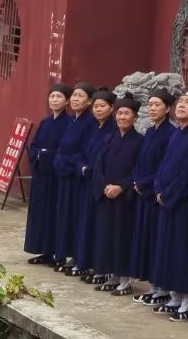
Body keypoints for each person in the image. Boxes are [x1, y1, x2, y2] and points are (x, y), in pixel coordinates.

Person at [149, 91, 188, 320]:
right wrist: (158, 188)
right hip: (166, 199)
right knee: (167, 248)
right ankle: (174, 295)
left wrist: (170, 194)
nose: (182, 105)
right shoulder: (176, 133)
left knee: (182, 250)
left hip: (182, 201)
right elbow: (164, 165)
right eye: (181, 102)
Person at [89, 94, 144, 294]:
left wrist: (121, 186)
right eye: (119, 113)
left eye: (127, 113)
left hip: (124, 198)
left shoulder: (140, 141)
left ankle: (125, 280)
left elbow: (139, 169)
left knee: (123, 237)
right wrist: (104, 185)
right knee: (106, 236)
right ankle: (111, 274)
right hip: (106, 195)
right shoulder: (109, 138)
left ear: (135, 118)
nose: (122, 117)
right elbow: (98, 164)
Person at [128, 88, 176, 304]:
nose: (153, 108)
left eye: (158, 104)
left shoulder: (171, 133)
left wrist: (147, 184)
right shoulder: (149, 132)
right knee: (146, 240)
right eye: (150, 104)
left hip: (157, 194)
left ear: (167, 108)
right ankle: (153, 286)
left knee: (158, 241)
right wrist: (137, 180)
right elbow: (139, 161)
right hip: (143, 193)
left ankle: (162, 288)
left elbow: (165, 167)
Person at [24, 82, 73, 265]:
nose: (54, 100)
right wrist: (39, 154)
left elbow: (66, 149)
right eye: (52, 96)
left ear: (67, 101)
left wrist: (47, 155)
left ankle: (58, 253)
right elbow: (35, 145)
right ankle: (44, 250)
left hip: (56, 175)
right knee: (41, 213)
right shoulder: (45, 122)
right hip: (41, 175)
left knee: (55, 213)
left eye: (58, 96)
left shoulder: (69, 123)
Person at [51, 81, 94, 272]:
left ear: (90, 101)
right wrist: (59, 160)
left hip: (77, 177)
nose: (76, 99)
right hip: (65, 175)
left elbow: (85, 152)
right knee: (65, 216)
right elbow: (63, 147)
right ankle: (64, 253)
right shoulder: (74, 121)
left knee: (76, 217)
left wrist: (67, 163)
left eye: (80, 96)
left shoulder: (89, 123)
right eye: (74, 95)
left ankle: (78, 256)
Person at [75, 89, 117, 283]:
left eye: (102, 106)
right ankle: (85, 261)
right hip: (87, 181)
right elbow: (81, 151)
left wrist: (96, 175)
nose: (98, 110)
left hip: (102, 184)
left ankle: (101, 267)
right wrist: (83, 167)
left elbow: (106, 160)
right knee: (86, 223)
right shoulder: (92, 128)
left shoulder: (113, 130)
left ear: (112, 108)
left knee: (100, 228)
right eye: (96, 107)